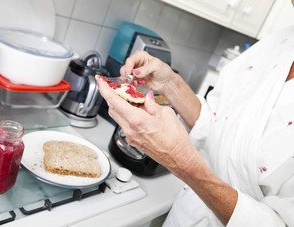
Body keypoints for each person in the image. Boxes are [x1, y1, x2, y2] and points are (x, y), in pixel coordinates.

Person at [98, 7, 294, 227]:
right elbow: (216, 123)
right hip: (185, 215)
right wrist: (170, 83)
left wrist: (181, 161)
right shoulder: (279, 42)